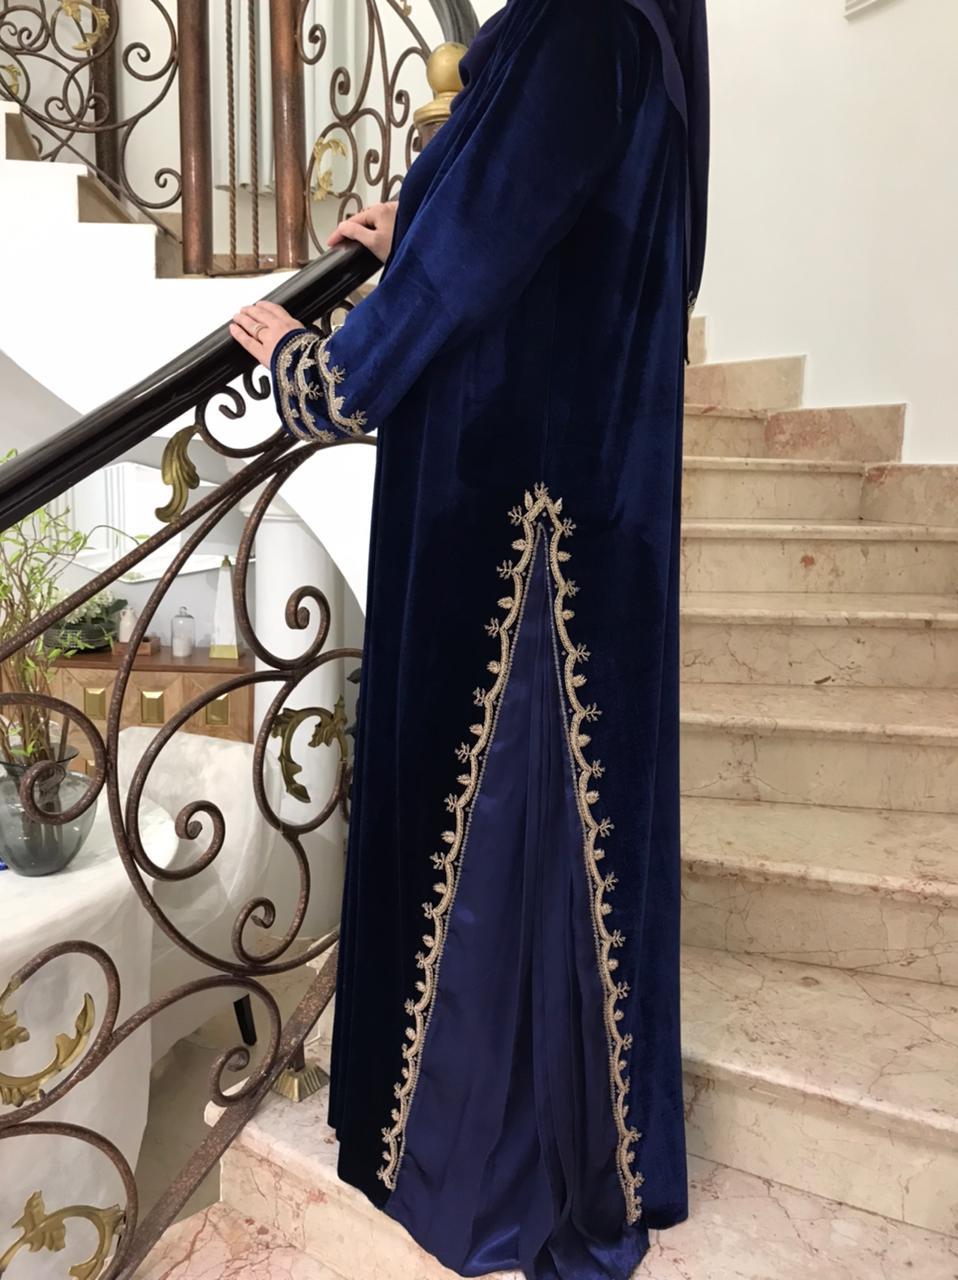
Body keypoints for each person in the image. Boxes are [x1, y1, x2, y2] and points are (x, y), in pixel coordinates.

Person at [230, 0, 708, 1275]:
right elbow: (534, 231)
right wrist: (426, 222)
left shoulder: (584, 28)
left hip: (520, 528)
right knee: (524, 833)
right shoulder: (615, 34)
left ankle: (502, 1166)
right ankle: (507, 1146)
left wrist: (318, 371)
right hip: (558, 504)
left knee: (509, 827)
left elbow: (466, 274)